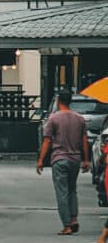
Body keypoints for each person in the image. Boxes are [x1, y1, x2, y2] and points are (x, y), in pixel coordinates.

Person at [36, 89, 90, 235]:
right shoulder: (79, 118)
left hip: (59, 158)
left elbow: (47, 140)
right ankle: (73, 219)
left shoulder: (53, 118)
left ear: (59, 100)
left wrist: (41, 160)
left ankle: (66, 225)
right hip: (75, 159)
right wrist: (86, 159)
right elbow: (84, 139)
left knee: (62, 192)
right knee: (72, 190)